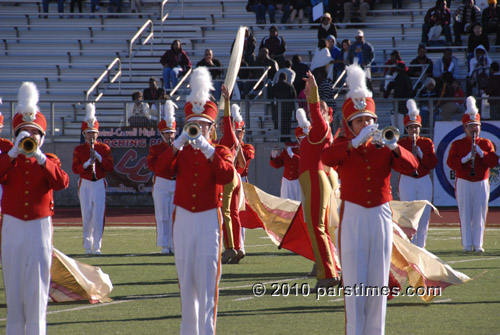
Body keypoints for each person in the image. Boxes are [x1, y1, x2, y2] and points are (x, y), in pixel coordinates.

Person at [320, 64, 418, 335]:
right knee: (354, 280)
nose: (366, 125)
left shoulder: (384, 147)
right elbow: (325, 158)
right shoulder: (344, 147)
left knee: (378, 280)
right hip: (352, 215)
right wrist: (353, 143)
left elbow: (413, 167)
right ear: (350, 125)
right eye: (360, 121)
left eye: (368, 120)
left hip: (381, 215)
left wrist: (395, 147)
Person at [155, 67, 234, 334]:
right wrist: (177, 143)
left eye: (203, 125)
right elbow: (161, 170)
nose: (198, 129)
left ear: (212, 128)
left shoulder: (219, 150)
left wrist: (208, 149)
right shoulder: (181, 150)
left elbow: (226, 175)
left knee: (208, 279)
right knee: (186, 278)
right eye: (194, 124)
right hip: (184, 217)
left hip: (209, 218)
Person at [1, 82, 69, 334]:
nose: (30, 137)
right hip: (13, 225)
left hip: (40, 226)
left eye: (34, 133)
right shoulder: (9, 160)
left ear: (42, 136)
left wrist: (40, 158)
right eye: (24, 132)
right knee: (14, 283)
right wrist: (12, 153)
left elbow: (62, 182)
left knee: (38, 287)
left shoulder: (49, 160)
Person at [298, 70, 340, 290]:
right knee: (316, 226)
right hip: (312, 181)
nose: (315, 112)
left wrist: (312, 93)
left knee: (317, 226)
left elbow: (314, 111)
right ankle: (324, 265)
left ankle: (327, 274)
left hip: (315, 179)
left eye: (321, 110)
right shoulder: (319, 131)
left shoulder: (322, 128)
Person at [446, 97, 499, 252]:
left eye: (476, 126)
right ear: (465, 128)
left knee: (480, 212)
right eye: (470, 126)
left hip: (481, 181)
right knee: (465, 212)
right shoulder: (458, 144)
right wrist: (466, 158)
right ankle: (467, 244)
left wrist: (481, 154)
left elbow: (493, 162)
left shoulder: (486, 143)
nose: (474, 129)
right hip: (463, 180)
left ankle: (478, 244)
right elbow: (451, 163)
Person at [72, 103, 114, 255]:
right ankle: (87, 246)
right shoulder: (79, 149)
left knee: (98, 214)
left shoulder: (104, 148)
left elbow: (110, 167)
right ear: (84, 134)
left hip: (99, 182)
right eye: (89, 133)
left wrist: (99, 158)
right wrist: (86, 164)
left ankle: (97, 246)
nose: (91, 136)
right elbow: (75, 169)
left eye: (94, 133)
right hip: (85, 183)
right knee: (87, 213)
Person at [397, 100, 438, 248]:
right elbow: (396, 165)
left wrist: (420, 154)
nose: (414, 130)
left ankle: (421, 245)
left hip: (424, 179)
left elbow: (433, 163)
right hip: (407, 179)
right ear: (406, 129)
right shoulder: (401, 144)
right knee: (408, 212)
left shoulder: (426, 143)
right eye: (410, 128)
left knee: (424, 212)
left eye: (416, 127)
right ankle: (410, 245)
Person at [216, 90, 246, 265]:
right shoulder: (230, 139)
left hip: (228, 176)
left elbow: (227, 120)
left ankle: (230, 248)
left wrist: (227, 102)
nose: (221, 126)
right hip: (235, 176)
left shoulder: (229, 135)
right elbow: (241, 164)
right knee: (234, 214)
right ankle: (238, 247)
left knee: (226, 213)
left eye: (222, 124)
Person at [147, 101, 177, 254]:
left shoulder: (181, 148)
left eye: (172, 132)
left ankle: (174, 243)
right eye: (167, 133)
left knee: (175, 215)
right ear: (162, 134)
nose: (170, 135)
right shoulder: (156, 148)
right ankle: (164, 244)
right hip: (161, 182)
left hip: (176, 182)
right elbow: (155, 167)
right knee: (162, 214)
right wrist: (171, 152)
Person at [270, 108, 308, 201]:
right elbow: (277, 165)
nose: (303, 140)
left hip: (300, 182)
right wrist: (273, 156)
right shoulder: (291, 148)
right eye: (301, 138)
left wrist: (292, 155)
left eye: (305, 138)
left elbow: (303, 164)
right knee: (286, 207)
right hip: (287, 182)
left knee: (299, 206)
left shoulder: (308, 150)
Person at [270, 72, 297, 141]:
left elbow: (271, 97)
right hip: (288, 107)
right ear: (286, 78)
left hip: (279, 107)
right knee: (287, 123)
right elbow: (294, 96)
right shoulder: (290, 86)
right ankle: (287, 137)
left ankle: (281, 138)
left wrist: (273, 107)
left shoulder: (275, 86)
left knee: (280, 123)